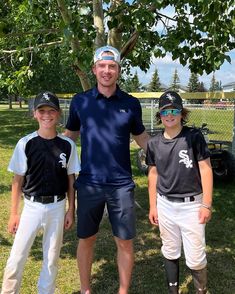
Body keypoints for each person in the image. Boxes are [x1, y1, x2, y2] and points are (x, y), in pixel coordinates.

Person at [64, 45, 150, 294]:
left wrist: (164, 154)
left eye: (112, 66)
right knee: (86, 239)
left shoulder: (131, 104)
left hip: (121, 185)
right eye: (102, 66)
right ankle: (85, 290)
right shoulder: (81, 101)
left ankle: (123, 291)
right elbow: (70, 136)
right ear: (94, 69)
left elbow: (141, 137)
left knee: (124, 241)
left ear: (118, 70)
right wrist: (48, 150)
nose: (107, 70)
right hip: (89, 183)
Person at [1, 91, 80, 294]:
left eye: (51, 110)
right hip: (31, 206)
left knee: (51, 258)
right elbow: (18, 180)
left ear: (58, 113)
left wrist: (71, 210)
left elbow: (71, 179)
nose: (47, 115)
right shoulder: (26, 143)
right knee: (17, 257)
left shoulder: (67, 145)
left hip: (57, 206)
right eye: (41, 110)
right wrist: (14, 213)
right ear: (34, 114)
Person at [146, 91, 213, 294]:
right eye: (165, 111)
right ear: (159, 114)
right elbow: (153, 175)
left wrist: (206, 204)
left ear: (182, 113)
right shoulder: (154, 143)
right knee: (170, 248)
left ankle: (200, 290)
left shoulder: (193, 137)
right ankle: (172, 291)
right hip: (165, 204)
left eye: (174, 110)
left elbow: (206, 169)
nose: (170, 114)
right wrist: (153, 206)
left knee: (195, 255)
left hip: (192, 204)